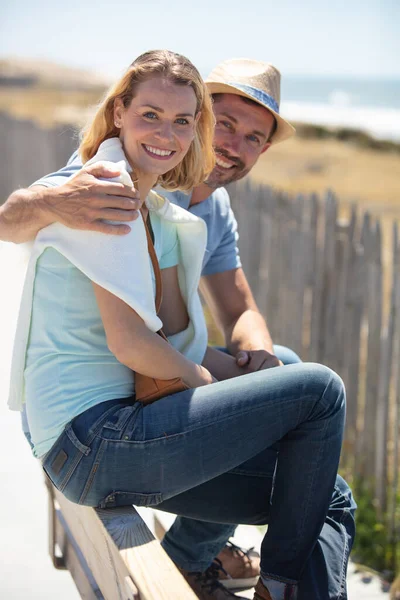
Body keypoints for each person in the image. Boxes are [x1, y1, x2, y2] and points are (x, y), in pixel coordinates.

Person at [3, 57, 356, 600]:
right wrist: (52, 201)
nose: (232, 143)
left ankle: (229, 572)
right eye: (226, 122)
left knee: (326, 491)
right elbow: (134, 340)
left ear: (197, 125)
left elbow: (215, 316)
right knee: (320, 391)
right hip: (93, 428)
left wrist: (257, 370)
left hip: (114, 415)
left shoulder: (175, 206)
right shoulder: (109, 184)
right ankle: (267, 582)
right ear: (122, 112)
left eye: (252, 136)